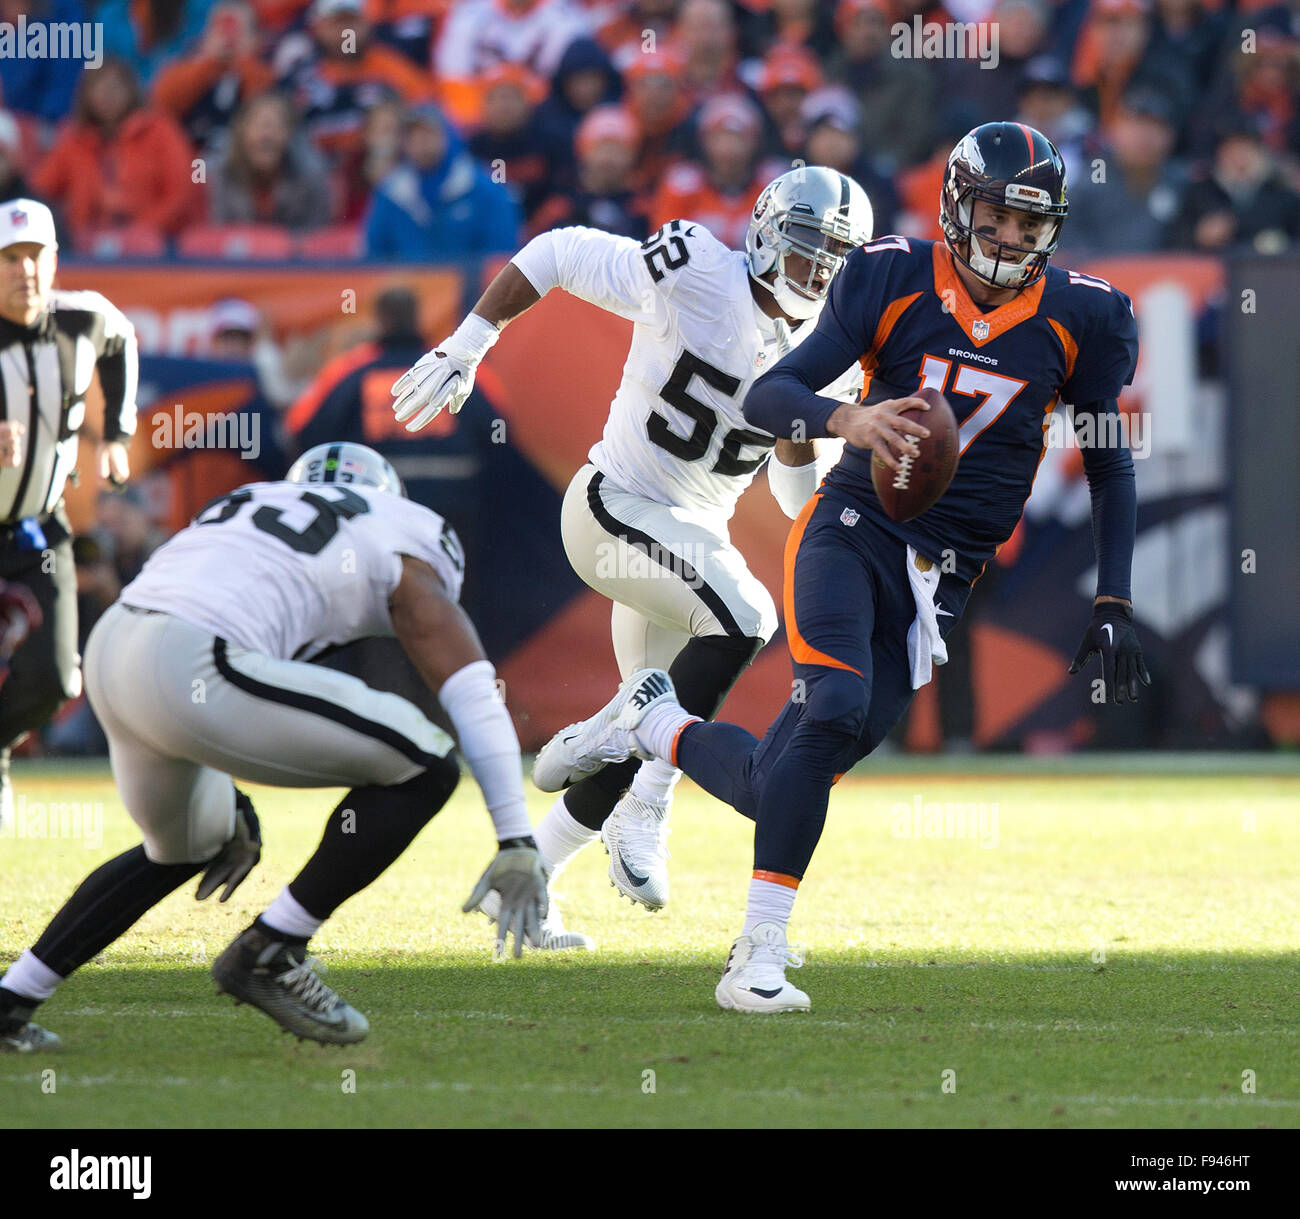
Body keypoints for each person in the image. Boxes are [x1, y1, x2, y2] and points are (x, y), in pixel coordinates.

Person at [536, 123, 1152, 1012]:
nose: (1013, 237)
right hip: (852, 522)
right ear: (956, 205)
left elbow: (1109, 460)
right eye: (995, 213)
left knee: (785, 776)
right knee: (832, 702)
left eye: (1030, 222)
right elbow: (771, 393)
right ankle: (759, 955)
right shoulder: (891, 274)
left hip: (946, 571)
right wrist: (848, 422)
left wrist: (1114, 597)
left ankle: (652, 721)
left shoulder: (1086, 316)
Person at [390, 166, 873, 933]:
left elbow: (790, 483)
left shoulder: (830, 349)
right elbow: (555, 253)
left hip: (684, 553)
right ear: (766, 235)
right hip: (615, 509)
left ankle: (529, 878)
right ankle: (651, 792)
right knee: (747, 615)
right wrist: (470, 340)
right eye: (808, 246)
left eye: (836, 257)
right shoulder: (695, 269)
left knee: (654, 719)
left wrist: (839, 495)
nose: (817, 271)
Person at [0, 443, 549, 1052]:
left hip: (115, 652)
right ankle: (272, 947)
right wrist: (516, 839)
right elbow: (471, 688)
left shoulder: (247, 502)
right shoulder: (404, 528)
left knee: (188, 842)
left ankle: (9, 1002)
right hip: (194, 659)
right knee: (425, 763)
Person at [0, 199, 137, 835]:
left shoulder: (82, 318)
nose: (25, 270)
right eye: (10, 258)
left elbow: (123, 340)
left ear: (54, 261)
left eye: (35, 256)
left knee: (57, 678)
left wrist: (117, 431)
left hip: (38, 527)